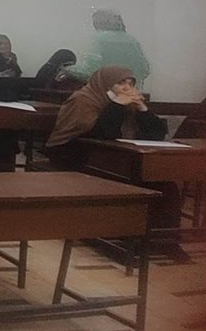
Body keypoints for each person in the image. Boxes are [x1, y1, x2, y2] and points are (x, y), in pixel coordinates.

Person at [44, 66, 181, 238]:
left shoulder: (128, 105)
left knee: (164, 185)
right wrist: (116, 105)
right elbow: (102, 134)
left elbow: (156, 135)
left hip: (113, 156)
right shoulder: (83, 99)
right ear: (106, 83)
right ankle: (126, 235)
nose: (127, 88)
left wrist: (142, 108)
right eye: (121, 83)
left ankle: (164, 239)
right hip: (75, 154)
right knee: (129, 180)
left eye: (131, 83)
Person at [68, 9, 152, 85]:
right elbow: (145, 70)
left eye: (95, 22)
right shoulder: (132, 41)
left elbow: (89, 72)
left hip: (105, 94)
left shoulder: (98, 39)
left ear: (100, 23)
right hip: (131, 93)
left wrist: (67, 69)